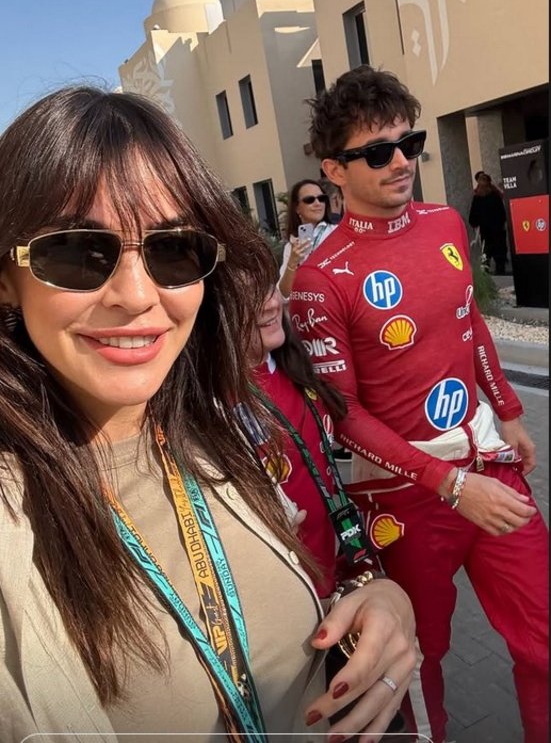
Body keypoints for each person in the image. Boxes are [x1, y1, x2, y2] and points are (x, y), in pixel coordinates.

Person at [0, 85, 417, 743]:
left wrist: (381, 600)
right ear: (7, 275)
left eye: (172, 250)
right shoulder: (12, 524)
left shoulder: (216, 433)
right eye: (79, 252)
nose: (137, 296)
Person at [289, 65, 549, 743]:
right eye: (378, 152)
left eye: (410, 143)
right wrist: (448, 484)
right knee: (415, 662)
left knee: (544, 640)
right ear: (334, 170)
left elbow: (470, 322)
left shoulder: (444, 222)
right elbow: (342, 414)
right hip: (402, 497)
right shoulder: (319, 279)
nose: (402, 161)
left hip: (488, 465)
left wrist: (507, 410)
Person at [243, 286, 414, 736]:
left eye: (268, 284)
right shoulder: (203, 406)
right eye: (243, 292)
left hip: (341, 591)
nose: (269, 301)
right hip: (278, 621)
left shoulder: (298, 369)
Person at [278, 178, 336, 301]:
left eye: (321, 198)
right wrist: (293, 262)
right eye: (309, 200)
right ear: (297, 208)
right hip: (309, 307)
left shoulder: (337, 232)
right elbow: (284, 294)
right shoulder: (292, 247)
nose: (318, 203)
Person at [469, 170, 508, 274]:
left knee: (487, 253)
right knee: (500, 255)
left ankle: (486, 273)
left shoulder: (477, 198)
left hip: (486, 232)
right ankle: (500, 271)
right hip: (498, 231)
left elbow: (472, 218)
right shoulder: (495, 195)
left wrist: (477, 223)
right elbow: (502, 214)